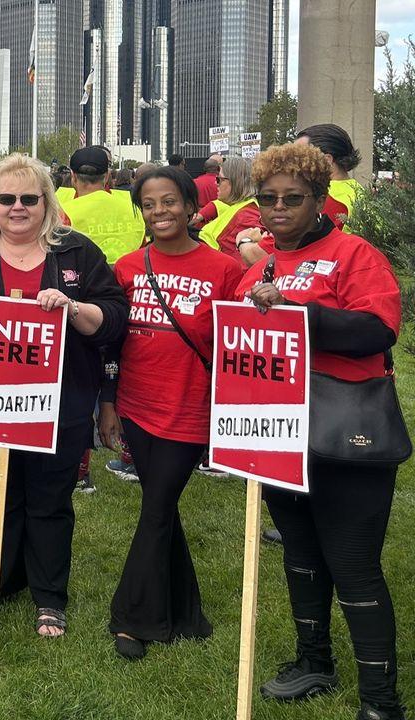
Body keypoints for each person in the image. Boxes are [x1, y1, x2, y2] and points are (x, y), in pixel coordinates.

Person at [0, 153, 128, 636]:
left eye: (29, 199)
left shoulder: (77, 252)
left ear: (46, 203)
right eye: (7, 198)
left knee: (51, 498)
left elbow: (114, 319)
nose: (18, 207)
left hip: (61, 401)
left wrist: (74, 308)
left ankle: (49, 595)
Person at [237, 142, 406, 720]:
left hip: (347, 434)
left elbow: (377, 331)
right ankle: (314, 661)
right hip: (277, 434)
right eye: (268, 198)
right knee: (301, 557)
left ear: (320, 199)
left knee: (353, 563)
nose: (279, 208)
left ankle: (382, 701)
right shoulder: (258, 264)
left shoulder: (354, 253)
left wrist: (294, 310)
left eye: (293, 198)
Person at [99, 166, 242, 660]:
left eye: (169, 202)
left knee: (157, 506)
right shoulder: (128, 267)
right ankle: (186, 612)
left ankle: (133, 619)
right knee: (162, 509)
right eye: (150, 204)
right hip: (136, 406)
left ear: (189, 205)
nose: (160, 212)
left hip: (190, 409)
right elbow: (112, 346)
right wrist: (109, 404)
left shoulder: (224, 271)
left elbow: (237, 345)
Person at [57, 148, 143, 264]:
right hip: (128, 277)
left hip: (83, 279)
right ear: (107, 176)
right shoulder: (133, 208)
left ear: (73, 176)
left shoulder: (63, 211)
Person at [295, 123, 362, 229]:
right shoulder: (357, 190)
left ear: (326, 161)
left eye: (300, 157)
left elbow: (303, 241)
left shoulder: (327, 198)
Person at [196, 157, 261, 260]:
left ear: (236, 182)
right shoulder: (242, 209)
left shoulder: (246, 218)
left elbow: (238, 266)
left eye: (219, 180)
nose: (215, 183)